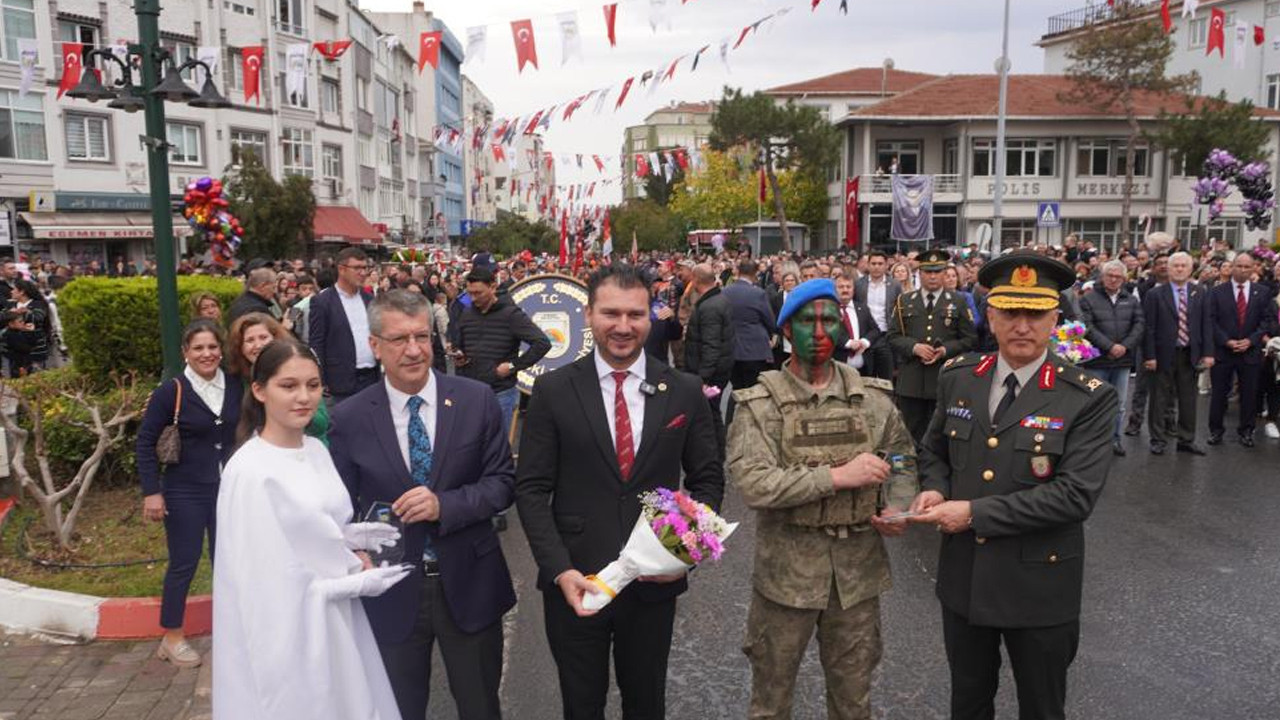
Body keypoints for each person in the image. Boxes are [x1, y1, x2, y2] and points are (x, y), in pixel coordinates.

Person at [908, 251, 1118, 720]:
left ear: (1055, 319)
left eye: (1035, 313)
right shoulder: (961, 377)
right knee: (968, 701)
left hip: (1039, 585)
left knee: (1042, 708)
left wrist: (971, 514)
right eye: (1010, 312)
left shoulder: (1087, 397)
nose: (1022, 325)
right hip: (965, 579)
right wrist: (936, 489)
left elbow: (1074, 496)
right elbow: (934, 451)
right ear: (991, 315)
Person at [515, 265, 724, 720]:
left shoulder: (684, 391)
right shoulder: (553, 390)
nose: (624, 327)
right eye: (611, 313)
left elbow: (707, 480)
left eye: (636, 314)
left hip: (653, 586)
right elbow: (531, 488)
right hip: (576, 583)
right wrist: (558, 569)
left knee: (646, 703)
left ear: (652, 317)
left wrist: (684, 554)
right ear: (588, 314)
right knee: (581, 704)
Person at [728, 278, 917, 720]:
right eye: (806, 322)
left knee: (853, 702)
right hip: (785, 579)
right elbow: (755, 484)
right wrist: (836, 477)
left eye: (828, 320)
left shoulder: (873, 400)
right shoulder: (759, 406)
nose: (818, 332)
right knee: (770, 703)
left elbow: (904, 459)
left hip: (857, 578)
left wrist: (898, 506)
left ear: (840, 327)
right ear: (786, 331)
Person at [331, 290, 517, 720]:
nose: (413, 350)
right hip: (391, 590)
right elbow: (340, 506)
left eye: (421, 336)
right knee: (397, 708)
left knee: (480, 706)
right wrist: (352, 551)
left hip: (470, 584)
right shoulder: (351, 418)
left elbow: (503, 484)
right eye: (399, 339)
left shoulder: (476, 400)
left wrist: (445, 505)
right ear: (375, 346)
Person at [213, 337, 412, 719]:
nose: (303, 397)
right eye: (288, 386)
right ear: (259, 390)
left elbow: (309, 526)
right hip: (289, 634)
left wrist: (350, 536)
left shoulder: (316, 449)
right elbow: (264, 581)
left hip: (335, 620)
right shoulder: (250, 471)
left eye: (313, 385)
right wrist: (350, 583)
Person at [135, 319, 243, 668]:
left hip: (228, 490)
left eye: (212, 347)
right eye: (198, 348)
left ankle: (233, 632)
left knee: (228, 562)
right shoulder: (173, 390)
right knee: (184, 562)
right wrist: (152, 492)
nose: (207, 354)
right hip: (184, 490)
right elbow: (145, 442)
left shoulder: (237, 385)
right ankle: (172, 635)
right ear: (186, 352)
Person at [888, 249, 977, 444]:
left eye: (937, 271)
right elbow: (893, 336)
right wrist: (914, 347)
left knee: (941, 435)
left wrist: (946, 350)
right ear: (919, 273)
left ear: (945, 273)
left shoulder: (958, 301)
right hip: (911, 380)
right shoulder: (904, 301)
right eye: (928, 272)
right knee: (910, 434)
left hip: (943, 379)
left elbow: (970, 339)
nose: (933, 276)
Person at [453, 265, 552, 438]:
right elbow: (461, 345)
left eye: (478, 293)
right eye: (470, 293)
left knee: (498, 449)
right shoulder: (467, 314)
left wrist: (513, 366)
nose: (473, 298)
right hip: (470, 392)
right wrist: (459, 356)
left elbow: (542, 343)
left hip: (500, 393)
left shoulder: (511, 314)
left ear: (493, 287)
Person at [1143, 252, 1214, 455]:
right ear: (1169, 269)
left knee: (1188, 399)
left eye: (1184, 265)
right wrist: (1149, 356)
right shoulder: (1155, 294)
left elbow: (1206, 324)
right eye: (1176, 266)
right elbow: (1149, 328)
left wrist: (1208, 353)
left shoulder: (1200, 292)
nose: (1180, 269)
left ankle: (1186, 439)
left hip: (1190, 353)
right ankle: (1157, 439)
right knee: (1159, 399)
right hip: (1163, 354)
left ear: (1191, 269)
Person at [228, 312, 330, 443]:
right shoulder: (235, 381)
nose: (258, 345)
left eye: (263, 337)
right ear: (240, 348)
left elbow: (321, 423)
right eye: (250, 340)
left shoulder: (299, 368)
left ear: (276, 339)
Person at [1079, 259, 1145, 456]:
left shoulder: (1132, 300)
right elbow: (1087, 327)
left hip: (1122, 361)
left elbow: (1139, 324)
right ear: (1102, 276)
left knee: (1119, 404)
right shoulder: (1088, 299)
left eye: (1118, 276)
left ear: (1124, 278)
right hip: (1097, 360)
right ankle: (1093, 442)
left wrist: (1124, 347)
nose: (1114, 279)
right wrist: (1109, 346)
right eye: (1110, 275)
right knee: (1093, 403)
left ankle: (1114, 439)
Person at [1207, 252, 1268, 448]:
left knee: (1249, 393)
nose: (1242, 270)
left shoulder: (1263, 292)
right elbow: (1211, 320)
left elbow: (1267, 321)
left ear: (1253, 269)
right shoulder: (1217, 292)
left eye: (1247, 267)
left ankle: (1247, 431)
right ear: (1232, 267)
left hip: (1250, 352)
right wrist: (1226, 341)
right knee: (1219, 393)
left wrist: (1251, 341)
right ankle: (1216, 431)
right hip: (1224, 351)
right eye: (1239, 266)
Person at [309, 247, 379, 405]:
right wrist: (320, 378)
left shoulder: (369, 299)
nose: (363, 273)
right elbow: (316, 343)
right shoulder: (322, 302)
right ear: (341, 269)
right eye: (357, 268)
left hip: (372, 378)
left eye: (365, 268)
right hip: (340, 382)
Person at [684, 263, 735, 458]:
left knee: (711, 414)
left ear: (696, 280)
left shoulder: (710, 306)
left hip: (711, 373)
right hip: (717, 368)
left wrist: (703, 378)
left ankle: (715, 453)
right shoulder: (717, 300)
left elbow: (711, 346)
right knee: (710, 412)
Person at [722, 258, 777, 423]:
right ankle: (753, 425)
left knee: (737, 389)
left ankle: (732, 423)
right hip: (755, 349)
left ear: (738, 272)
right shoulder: (758, 293)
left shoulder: (725, 292)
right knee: (754, 392)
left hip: (732, 348)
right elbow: (770, 321)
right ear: (755, 274)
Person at [855, 251, 901, 381]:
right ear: (868, 265)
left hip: (886, 335)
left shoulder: (894, 285)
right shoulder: (859, 284)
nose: (876, 267)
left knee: (886, 376)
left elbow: (899, 309)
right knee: (865, 376)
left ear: (886, 265)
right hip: (865, 336)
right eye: (873, 263)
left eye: (880, 264)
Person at [833, 273, 880, 374]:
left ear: (853, 290)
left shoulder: (862, 308)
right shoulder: (829, 310)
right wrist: (848, 343)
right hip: (838, 368)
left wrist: (864, 342)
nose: (845, 290)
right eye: (841, 287)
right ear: (834, 289)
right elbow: (828, 332)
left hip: (864, 369)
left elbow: (875, 330)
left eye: (848, 287)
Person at [4, 279, 51, 377]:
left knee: (37, 379)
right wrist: (11, 314)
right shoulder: (11, 304)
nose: (11, 291)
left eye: (14, 289)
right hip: (14, 353)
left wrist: (21, 313)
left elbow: (38, 318)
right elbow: (3, 317)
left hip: (35, 351)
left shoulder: (37, 304)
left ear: (22, 292)